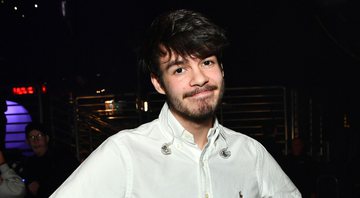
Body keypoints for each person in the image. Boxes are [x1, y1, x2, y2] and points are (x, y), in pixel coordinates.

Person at [51, 9, 301, 197]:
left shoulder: (250, 153)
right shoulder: (125, 152)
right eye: (180, 69)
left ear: (222, 69)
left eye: (207, 62)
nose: (200, 78)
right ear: (159, 84)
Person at [22, 122, 79, 198]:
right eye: (31, 137)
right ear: (28, 142)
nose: (35, 140)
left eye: (39, 136)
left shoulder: (62, 156)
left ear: (47, 138)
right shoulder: (29, 164)